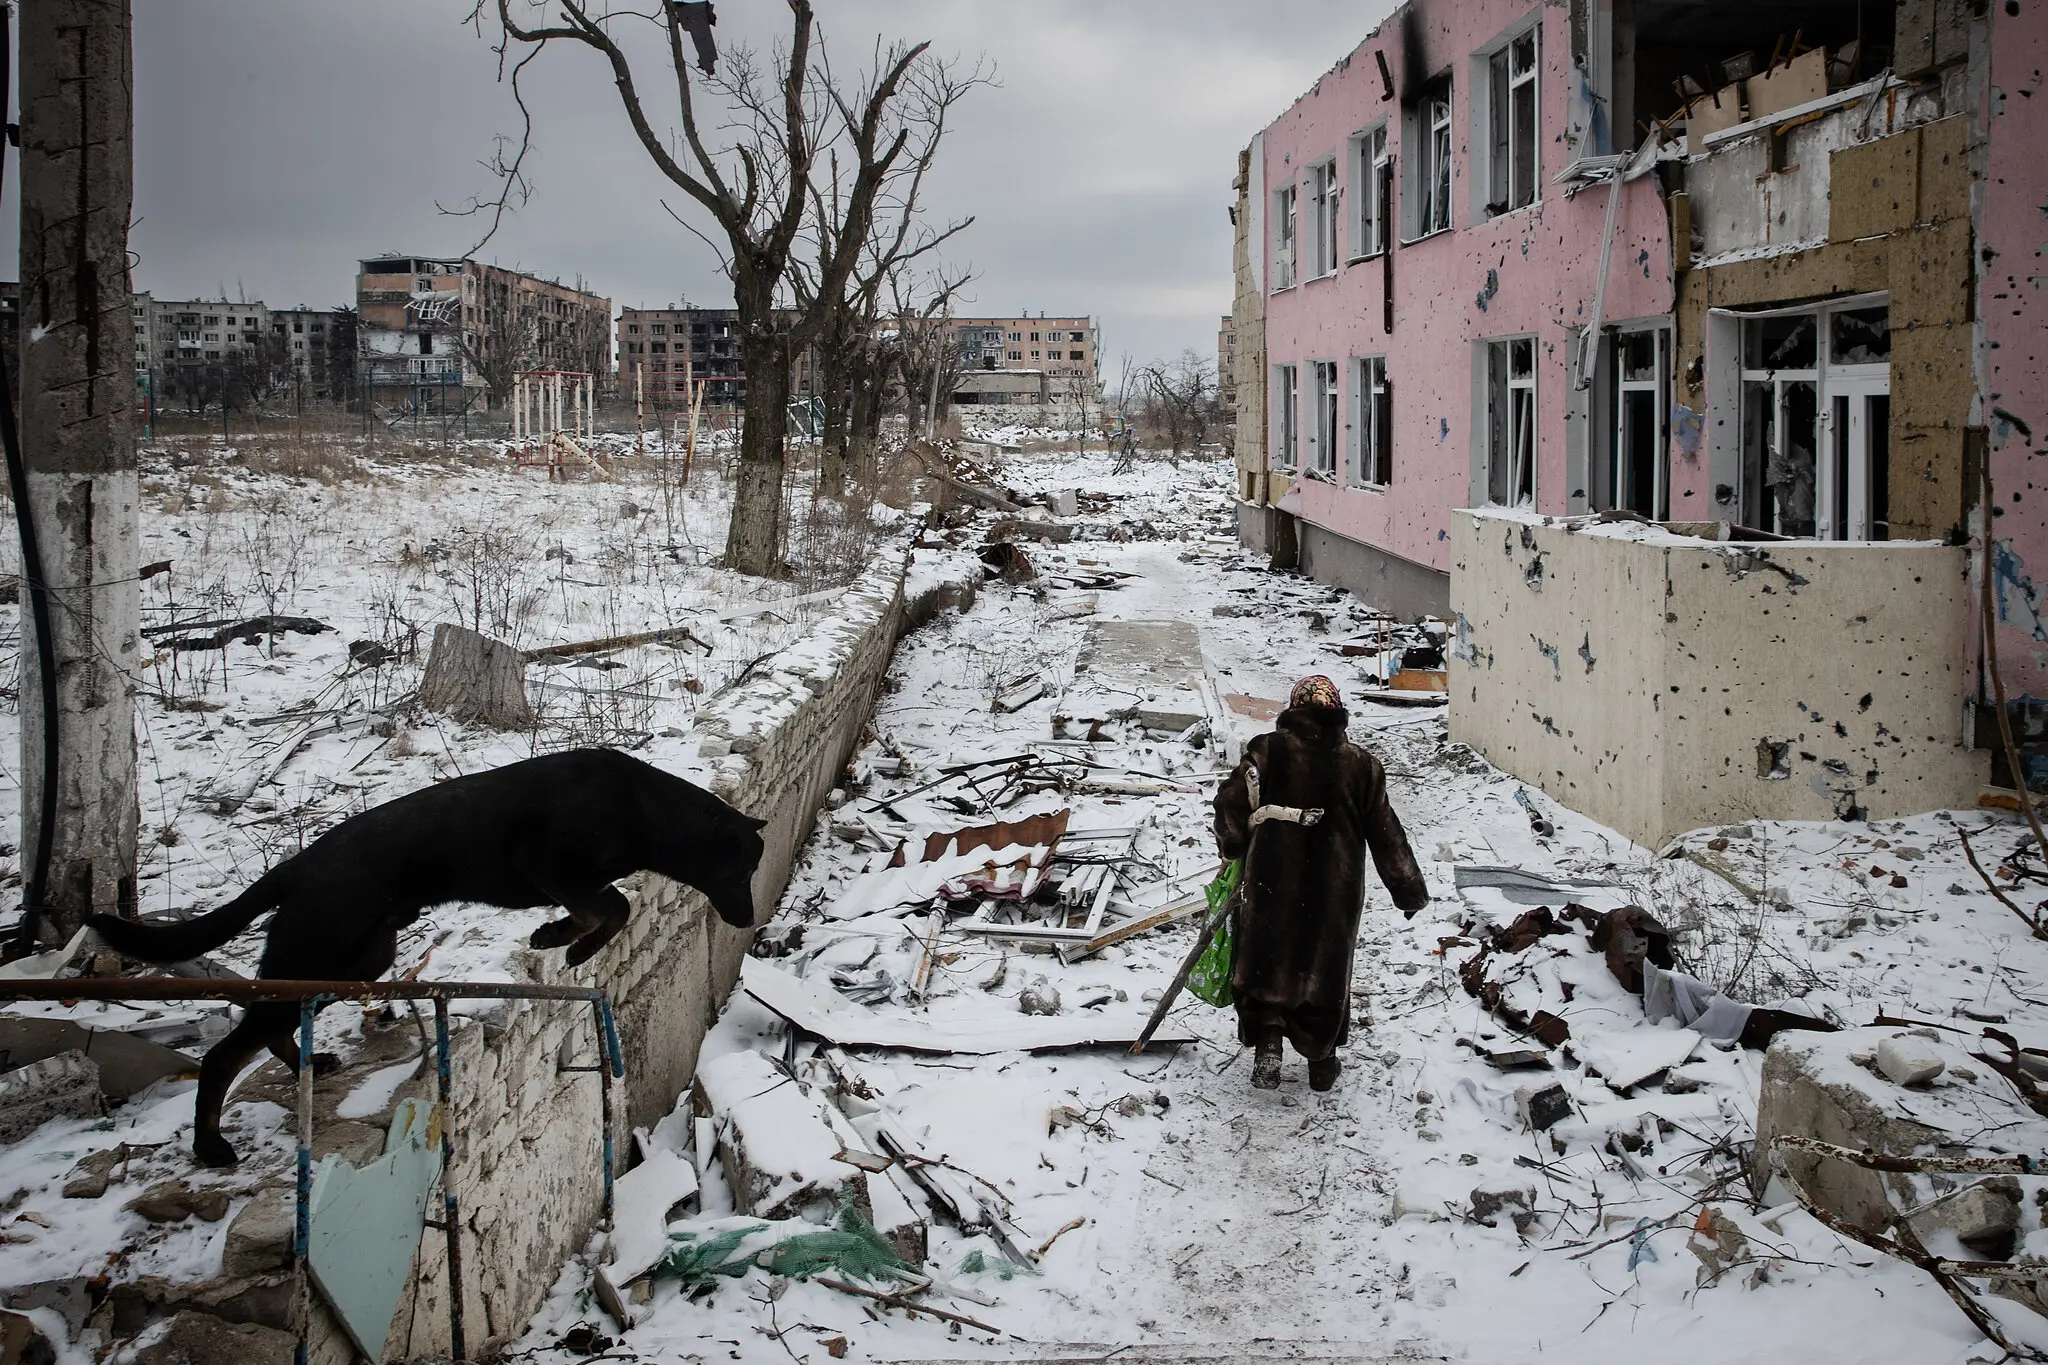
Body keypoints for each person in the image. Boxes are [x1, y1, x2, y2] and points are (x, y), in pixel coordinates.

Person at [1213, 674, 1429, 1091]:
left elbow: (1230, 803)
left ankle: (1270, 1039)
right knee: (1323, 968)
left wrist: (1233, 844)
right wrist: (1407, 890)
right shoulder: (1362, 765)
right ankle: (1322, 1061)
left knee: (1267, 957)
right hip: (1336, 888)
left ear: (1293, 709)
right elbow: (1387, 832)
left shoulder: (1267, 751)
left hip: (1273, 879)